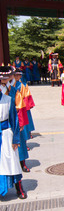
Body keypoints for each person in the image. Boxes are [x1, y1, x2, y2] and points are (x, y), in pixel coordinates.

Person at [0, 66, 27, 199]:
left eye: (6, 77)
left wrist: (16, 137)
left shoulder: (12, 91)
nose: (5, 79)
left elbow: (14, 117)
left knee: (13, 160)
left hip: (6, 130)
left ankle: (19, 188)